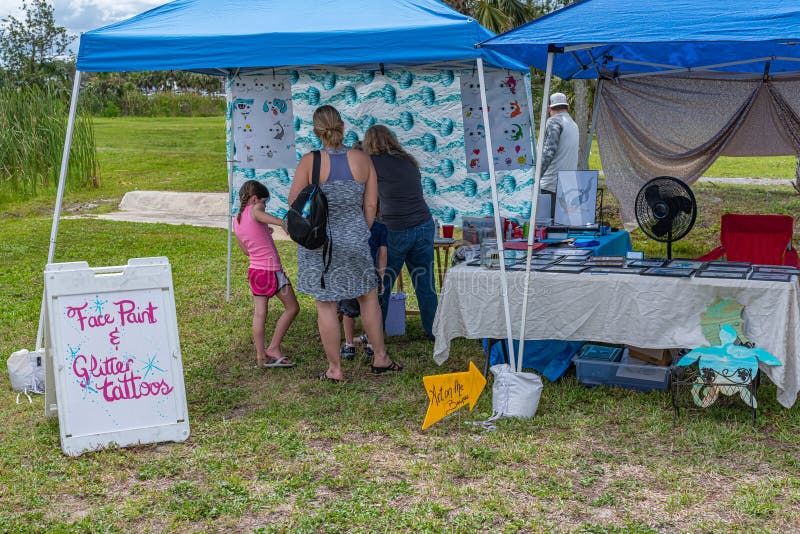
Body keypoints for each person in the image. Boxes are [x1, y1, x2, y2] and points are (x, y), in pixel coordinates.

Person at [289, 106, 401, 382]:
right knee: (368, 298)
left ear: (316, 131)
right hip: (355, 239)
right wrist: (358, 231)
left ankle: (335, 369)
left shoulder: (308, 162)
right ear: (342, 126)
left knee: (326, 305)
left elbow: (294, 206)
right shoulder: (363, 160)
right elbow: (372, 205)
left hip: (319, 244)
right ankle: (380, 357)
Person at [362, 124, 437, 339]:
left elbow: (368, 198)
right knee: (425, 284)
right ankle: (434, 332)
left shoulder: (372, 163)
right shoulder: (408, 161)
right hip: (423, 224)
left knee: (382, 284)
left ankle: (376, 334)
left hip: (394, 230)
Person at [233, 180, 299, 368]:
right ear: (254, 199)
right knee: (292, 308)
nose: (264, 207)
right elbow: (260, 214)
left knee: (260, 314)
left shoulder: (236, 220)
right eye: (264, 202)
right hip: (271, 272)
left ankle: (261, 356)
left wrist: (263, 232)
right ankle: (274, 347)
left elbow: (246, 251)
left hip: (255, 272)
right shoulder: (256, 210)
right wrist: (283, 223)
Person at [338, 209, 388, 360]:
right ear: (377, 210)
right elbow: (383, 254)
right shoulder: (380, 228)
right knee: (371, 310)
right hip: (369, 272)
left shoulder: (347, 226)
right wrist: (381, 276)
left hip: (349, 273)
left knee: (348, 312)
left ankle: (348, 346)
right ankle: (371, 346)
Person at [539, 92, 579, 220]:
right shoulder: (573, 125)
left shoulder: (554, 122)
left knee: (548, 226)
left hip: (549, 184)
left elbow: (549, 152)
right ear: (566, 107)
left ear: (549, 109)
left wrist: (535, 176)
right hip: (567, 183)